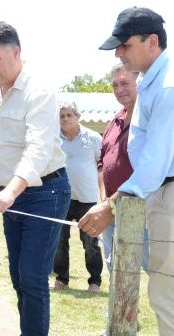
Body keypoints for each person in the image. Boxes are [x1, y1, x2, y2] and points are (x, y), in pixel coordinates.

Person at [79, 7, 174, 335]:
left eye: (125, 45)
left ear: (152, 41)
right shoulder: (155, 81)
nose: (118, 53)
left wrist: (111, 205)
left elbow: (155, 161)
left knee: (171, 294)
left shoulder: (171, 85)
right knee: (169, 292)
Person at [0, 21, 69, 335]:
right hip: (10, 193)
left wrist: (9, 192)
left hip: (45, 191)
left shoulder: (39, 90)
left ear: (16, 52)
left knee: (31, 277)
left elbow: (38, 149)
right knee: (18, 276)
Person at [98, 64, 150, 273]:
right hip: (111, 207)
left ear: (139, 83)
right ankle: (120, 307)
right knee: (115, 266)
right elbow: (102, 163)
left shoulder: (148, 117)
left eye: (125, 83)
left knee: (154, 267)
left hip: (141, 207)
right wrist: (104, 198)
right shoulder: (115, 119)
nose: (119, 89)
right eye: (115, 85)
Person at [52, 101, 103, 293]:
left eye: (69, 115)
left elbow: (102, 166)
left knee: (90, 243)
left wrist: (103, 194)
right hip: (61, 198)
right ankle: (61, 278)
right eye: (62, 116)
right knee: (59, 242)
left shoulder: (93, 137)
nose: (65, 119)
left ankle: (95, 281)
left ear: (78, 117)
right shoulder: (53, 138)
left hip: (87, 199)